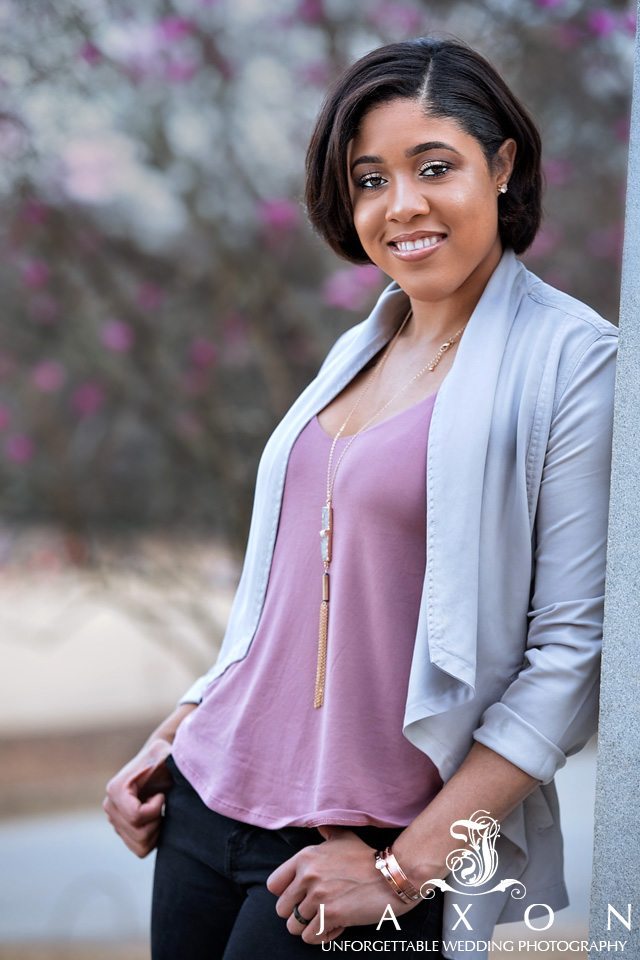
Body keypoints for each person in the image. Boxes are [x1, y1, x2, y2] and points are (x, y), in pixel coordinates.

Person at [103, 36, 618, 960]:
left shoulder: (576, 364)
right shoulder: (361, 346)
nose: (402, 205)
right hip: (203, 801)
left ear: (502, 166)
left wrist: (404, 871)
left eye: (434, 167)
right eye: (370, 178)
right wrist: (174, 731)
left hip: (364, 849)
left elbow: (570, 659)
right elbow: (285, 593)